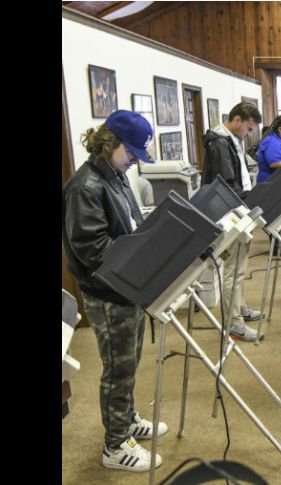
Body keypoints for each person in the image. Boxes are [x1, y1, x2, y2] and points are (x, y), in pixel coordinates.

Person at [62, 110, 167, 472]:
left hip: (128, 285)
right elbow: (93, 250)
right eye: (132, 152)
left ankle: (127, 419)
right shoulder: (85, 187)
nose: (135, 159)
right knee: (117, 369)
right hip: (108, 292)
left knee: (129, 363)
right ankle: (116, 446)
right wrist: (138, 256)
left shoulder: (115, 174)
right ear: (110, 143)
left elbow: (130, 225)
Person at [202, 101, 263, 340]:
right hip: (231, 212)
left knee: (239, 268)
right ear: (237, 120)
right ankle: (234, 323)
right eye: (248, 128)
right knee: (232, 270)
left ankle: (240, 309)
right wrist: (247, 206)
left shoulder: (230, 140)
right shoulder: (220, 143)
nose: (248, 134)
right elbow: (227, 185)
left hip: (239, 208)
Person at [256, 114, 281, 183]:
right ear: (280, 129)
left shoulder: (278, 140)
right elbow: (274, 163)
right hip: (270, 182)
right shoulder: (272, 142)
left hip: (276, 181)